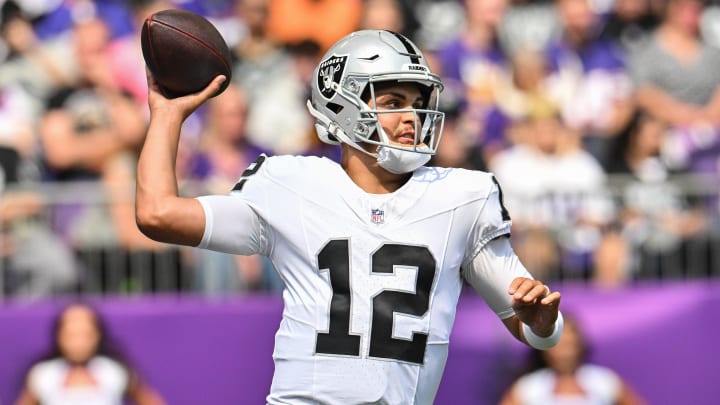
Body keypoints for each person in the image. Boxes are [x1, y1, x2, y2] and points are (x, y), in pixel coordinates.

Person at [135, 29, 563, 404]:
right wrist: (168, 116)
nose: (412, 117)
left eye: (417, 103)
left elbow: (535, 327)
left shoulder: (462, 195)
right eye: (393, 101)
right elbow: (158, 214)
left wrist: (544, 324)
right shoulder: (290, 183)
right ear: (342, 106)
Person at [14, 303, 166, 405]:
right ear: (58, 336)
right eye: (71, 335)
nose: (78, 343)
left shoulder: (114, 370)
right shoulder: (43, 374)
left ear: (98, 335)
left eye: (85, 334)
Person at [498, 313, 646, 405]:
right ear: (544, 348)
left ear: (580, 344)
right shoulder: (528, 388)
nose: (566, 351)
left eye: (570, 343)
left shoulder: (605, 381)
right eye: (560, 344)